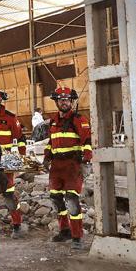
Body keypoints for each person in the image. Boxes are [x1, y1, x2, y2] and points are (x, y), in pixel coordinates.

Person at [43, 87, 92, 250]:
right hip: (56, 167)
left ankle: (77, 237)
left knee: (71, 199)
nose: (64, 102)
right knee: (56, 199)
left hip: (72, 166)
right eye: (61, 100)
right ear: (56, 102)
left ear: (71, 102)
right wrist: (46, 157)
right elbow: (51, 142)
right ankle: (65, 231)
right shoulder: (54, 121)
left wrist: (86, 161)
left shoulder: (79, 120)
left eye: (67, 100)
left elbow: (88, 141)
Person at [0, 86, 26, 239]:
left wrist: (21, 158)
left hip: (4, 163)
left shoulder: (9, 118)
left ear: (0, 100)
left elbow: (21, 138)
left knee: (9, 194)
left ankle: (17, 225)